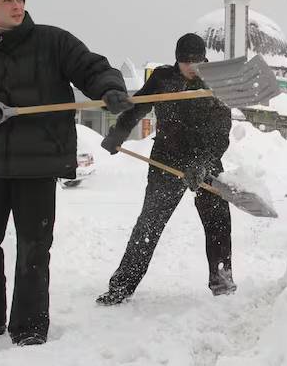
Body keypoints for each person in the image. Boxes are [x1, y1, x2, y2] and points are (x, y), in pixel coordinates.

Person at [0, 0, 134, 345]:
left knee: (33, 248)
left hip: (38, 164)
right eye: (7, 1)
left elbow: (93, 68)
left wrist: (111, 90)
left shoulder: (53, 41)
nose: (17, 6)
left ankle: (30, 328)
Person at [95, 32, 234, 305]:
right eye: (185, 62)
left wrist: (204, 163)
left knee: (218, 223)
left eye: (196, 61)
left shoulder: (216, 81)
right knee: (148, 224)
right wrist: (118, 134)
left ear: (204, 58)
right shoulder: (161, 79)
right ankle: (121, 286)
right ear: (177, 61)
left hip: (206, 161)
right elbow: (137, 109)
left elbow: (222, 131)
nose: (191, 67)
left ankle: (222, 282)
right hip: (167, 161)